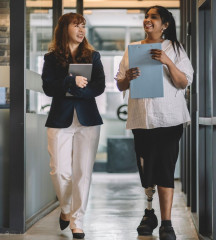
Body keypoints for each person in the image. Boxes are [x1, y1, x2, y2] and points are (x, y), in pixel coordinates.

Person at [115, 5, 193, 240]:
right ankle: (149, 213)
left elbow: (183, 83)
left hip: (169, 119)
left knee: (165, 168)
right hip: (141, 119)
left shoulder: (176, 48)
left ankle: (167, 222)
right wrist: (127, 78)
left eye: (154, 17)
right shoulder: (133, 50)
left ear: (165, 24)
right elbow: (120, 83)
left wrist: (168, 62)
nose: (148, 20)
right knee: (146, 168)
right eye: (147, 17)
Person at [41, 12, 105, 239]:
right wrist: (70, 80)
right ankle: (66, 210)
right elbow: (48, 87)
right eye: (76, 25)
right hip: (60, 119)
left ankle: (77, 221)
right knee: (59, 170)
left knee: (83, 173)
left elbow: (99, 86)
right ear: (64, 29)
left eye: (83, 26)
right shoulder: (51, 58)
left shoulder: (93, 56)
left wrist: (79, 90)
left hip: (88, 120)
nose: (81, 30)